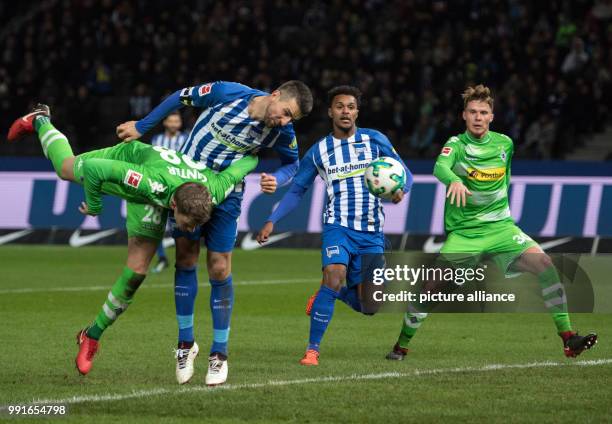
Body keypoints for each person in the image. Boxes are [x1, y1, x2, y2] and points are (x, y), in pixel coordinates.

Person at [7, 104, 258, 377]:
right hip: (132, 163)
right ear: (174, 205)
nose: (191, 229)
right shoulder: (146, 182)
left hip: (161, 190)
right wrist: (94, 206)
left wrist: (257, 148)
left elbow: (246, 164)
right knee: (66, 168)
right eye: (188, 223)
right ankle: (41, 119)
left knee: (136, 272)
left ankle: (91, 335)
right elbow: (94, 169)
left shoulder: (214, 189)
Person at [116, 80, 313, 385]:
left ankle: (219, 354)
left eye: (292, 119)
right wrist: (143, 126)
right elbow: (179, 97)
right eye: (285, 112)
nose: (285, 121)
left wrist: (276, 178)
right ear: (275, 95)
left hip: (226, 194)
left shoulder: (280, 131)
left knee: (219, 268)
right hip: (186, 184)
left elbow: (292, 165)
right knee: (185, 259)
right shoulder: (227, 93)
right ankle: (185, 344)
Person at [385, 85, 597, 361]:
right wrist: (455, 180)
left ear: (491, 117)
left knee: (546, 266)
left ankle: (569, 338)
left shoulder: (505, 144)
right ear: (464, 115)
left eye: (483, 112)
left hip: (501, 229)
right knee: (431, 288)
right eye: (472, 112)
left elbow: (504, 178)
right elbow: (440, 166)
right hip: (465, 234)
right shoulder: (456, 145)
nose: (477, 117)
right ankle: (401, 346)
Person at [256, 85, 413, 366]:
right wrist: (272, 220)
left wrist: (401, 189)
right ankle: (312, 351)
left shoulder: (375, 140)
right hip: (337, 227)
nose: (345, 112)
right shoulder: (319, 151)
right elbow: (297, 191)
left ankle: (336, 294)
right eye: (340, 106)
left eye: (351, 107)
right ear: (330, 111)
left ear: (357, 112)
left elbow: (405, 173)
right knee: (333, 274)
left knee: (371, 306)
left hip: (371, 232)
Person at [149, 111, 189, 273]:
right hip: (159, 186)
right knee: (156, 224)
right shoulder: (157, 140)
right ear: (165, 123)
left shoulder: (185, 139)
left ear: (179, 123)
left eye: (176, 121)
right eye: (170, 121)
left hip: (180, 186)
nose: (173, 124)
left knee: (182, 224)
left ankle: (185, 258)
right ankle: (162, 258)